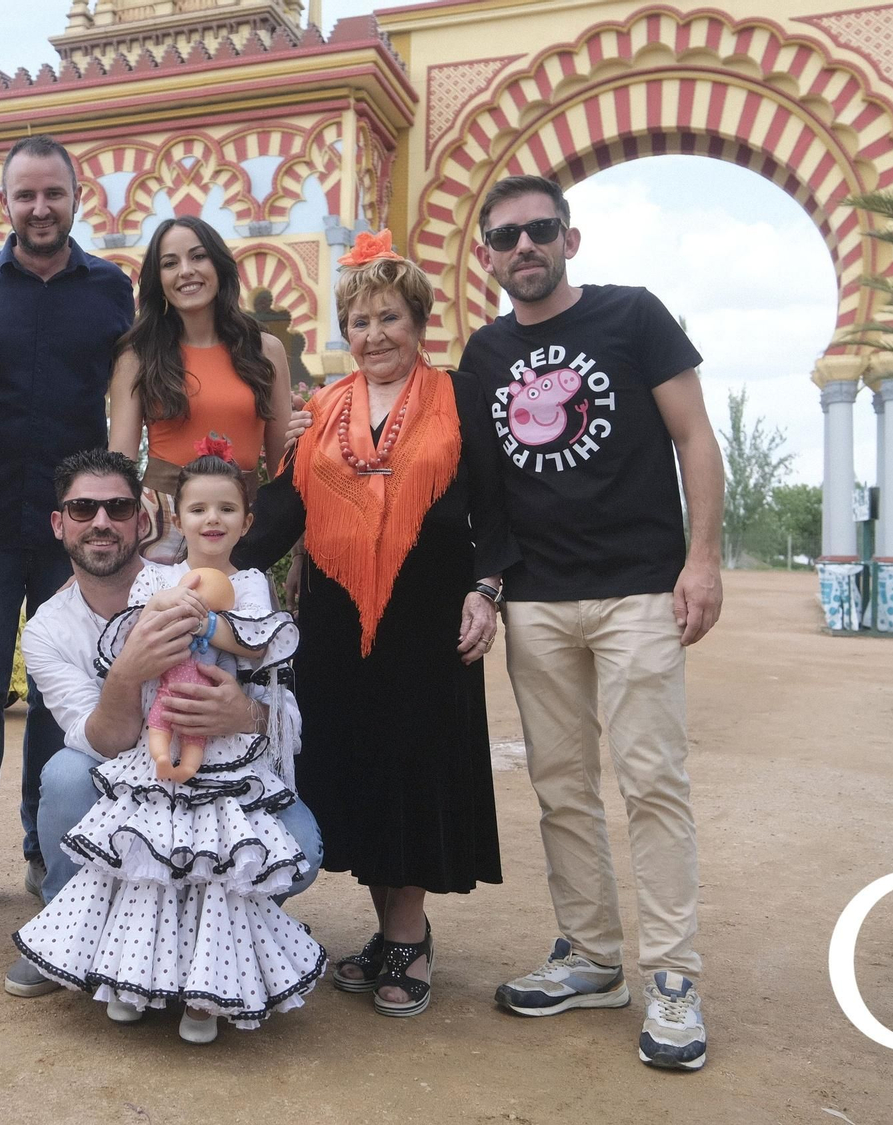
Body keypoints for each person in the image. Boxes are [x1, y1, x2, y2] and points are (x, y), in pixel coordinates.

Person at [461, 174, 724, 1071]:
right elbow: (482, 485)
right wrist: (489, 584)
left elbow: (695, 435)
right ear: (488, 257)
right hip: (537, 598)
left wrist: (702, 558)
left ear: (569, 239)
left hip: (638, 589)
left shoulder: (632, 315)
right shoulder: (486, 353)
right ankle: (591, 954)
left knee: (652, 779)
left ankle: (674, 977)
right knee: (562, 784)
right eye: (506, 237)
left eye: (539, 229)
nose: (524, 247)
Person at [234, 234, 516, 1020]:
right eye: (359, 321)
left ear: (418, 321)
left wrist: (487, 588)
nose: (374, 334)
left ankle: (407, 933)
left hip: (428, 618)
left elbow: (495, 508)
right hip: (336, 619)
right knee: (358, 765)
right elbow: (283, 511)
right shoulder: (324, 409)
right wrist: (208, 560)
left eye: (389, 317)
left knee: (415, 764)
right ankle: (388, 927)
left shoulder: (458, 397)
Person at [13, 447, 320, 1044]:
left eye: (117, 507)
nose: (101, 522)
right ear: (59, 522)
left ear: (145, 518)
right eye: (83, 509)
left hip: (224, 761)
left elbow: (281, 694)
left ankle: (209, 964)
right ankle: (70, 932)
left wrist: (243, 711)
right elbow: (100, 738)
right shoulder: (53, 624)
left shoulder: (227, 584)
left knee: (286, 852)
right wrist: (130, 671)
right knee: (69, 777)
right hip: (135, 766)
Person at [0, 135, 136, 917]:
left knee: (61, 691)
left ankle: (51, 850)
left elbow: (134, 390)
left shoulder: (111, 289)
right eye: (26, 195)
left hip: (73, 526)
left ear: (77, 199)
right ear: (4, 203)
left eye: (54, 194)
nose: (40, 208)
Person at [108, 215, 291, 563]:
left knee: (239, 601)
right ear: (158, 280)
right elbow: (120, 462)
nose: (186, 271)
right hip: (162, 521)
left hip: (240, 523)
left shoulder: (265, 350)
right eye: (170, 263)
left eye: (198, 256)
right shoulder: (137, 356)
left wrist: (300, 553)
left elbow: (285, 468)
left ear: (219, 265)